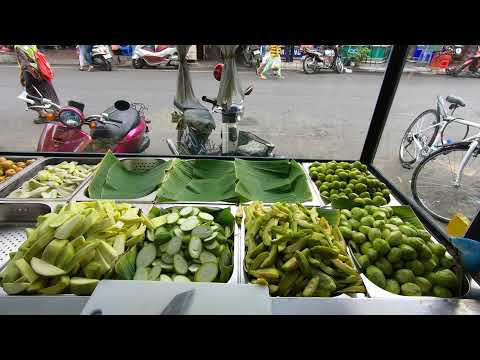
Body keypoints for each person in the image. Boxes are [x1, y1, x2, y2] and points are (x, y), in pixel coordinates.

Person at [14, 45, 60, 124]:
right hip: (40, 70)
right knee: (48, 91)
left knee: (31, 94)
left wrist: (24, 77)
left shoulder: (19, 46)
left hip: (30, 72)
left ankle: (43, 115)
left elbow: (24, 63)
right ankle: (57, 113)